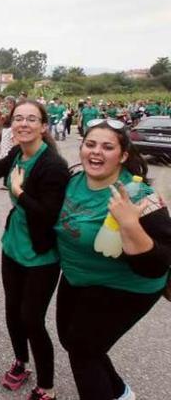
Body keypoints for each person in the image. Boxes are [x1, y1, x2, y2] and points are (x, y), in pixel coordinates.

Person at [54, 119, 171, 400]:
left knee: (83, 350)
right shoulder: (74, 179)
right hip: (77, 277)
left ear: (123, 155)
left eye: (108, 147)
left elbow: (158, 264)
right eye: (90, 144)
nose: (96, 152)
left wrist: (130, 224)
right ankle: (121, 393)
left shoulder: (140, 197)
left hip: (125, 288)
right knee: (73, 341)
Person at [0, 100, 70, 400]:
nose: (22, 124)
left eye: (31, 119)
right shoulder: (19, 153)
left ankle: (47, 386)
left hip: (41, 255)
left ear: (44, 126)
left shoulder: (53, 166)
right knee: (12, 312)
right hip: (13, 247)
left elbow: (48, 214)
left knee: (32, 319)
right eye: (18, 118)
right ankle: (21, 362)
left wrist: (19, 192)